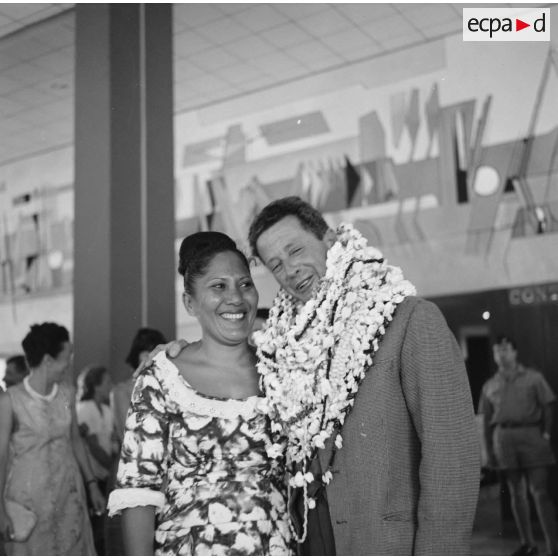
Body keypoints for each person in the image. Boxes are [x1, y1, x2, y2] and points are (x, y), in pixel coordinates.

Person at [162, 196, 481, 554]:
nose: (291, 270)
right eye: (276, 264)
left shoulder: (410, 320)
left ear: (330, 239)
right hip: (309, 542)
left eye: (296, 250)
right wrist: (174, 354)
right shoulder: (282, 348)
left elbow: (453, 464)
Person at [107, 232, 291, 555]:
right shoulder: (163, 378)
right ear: (189, 303)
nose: (236, 298)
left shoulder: (283, 371)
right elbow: (138, 491)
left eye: (245, 284)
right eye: (218, 286)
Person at [0, 322, 104, 555]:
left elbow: (75, 440)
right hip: (28, 500)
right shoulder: (10, 401)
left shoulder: (67, 394)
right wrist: (0, 510)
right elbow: (1, 455)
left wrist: (92, 485)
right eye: (67, 357)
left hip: (68, 493)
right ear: (48, 360)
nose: (69, 364)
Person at [480, 335, 558, 556]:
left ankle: (553, 546)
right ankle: (528, 543)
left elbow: (548, 406)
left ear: (515, 352)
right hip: (504, 438)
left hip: (532, 435)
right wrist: (488, 451)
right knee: (516, 493)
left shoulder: (533, 378)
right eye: (497, 350)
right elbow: (486, 420)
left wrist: (546, 433)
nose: (501, 354)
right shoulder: (490, 385)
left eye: (505, 349)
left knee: (540, 492)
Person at [76, 364, 117, 555]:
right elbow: (93, 446)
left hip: (104, 474)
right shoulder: (86, 408)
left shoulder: (106, 410)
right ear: (96, 385)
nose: (111, 385)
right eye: (107, 382)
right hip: (92, 474)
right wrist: (112, 469)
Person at [111, 327, 167, 446]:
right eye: (146, 353)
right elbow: (127, 434)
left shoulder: (165, 388)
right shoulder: (122, 391)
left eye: (156, 353)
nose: (151, 359)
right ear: (136, 355)